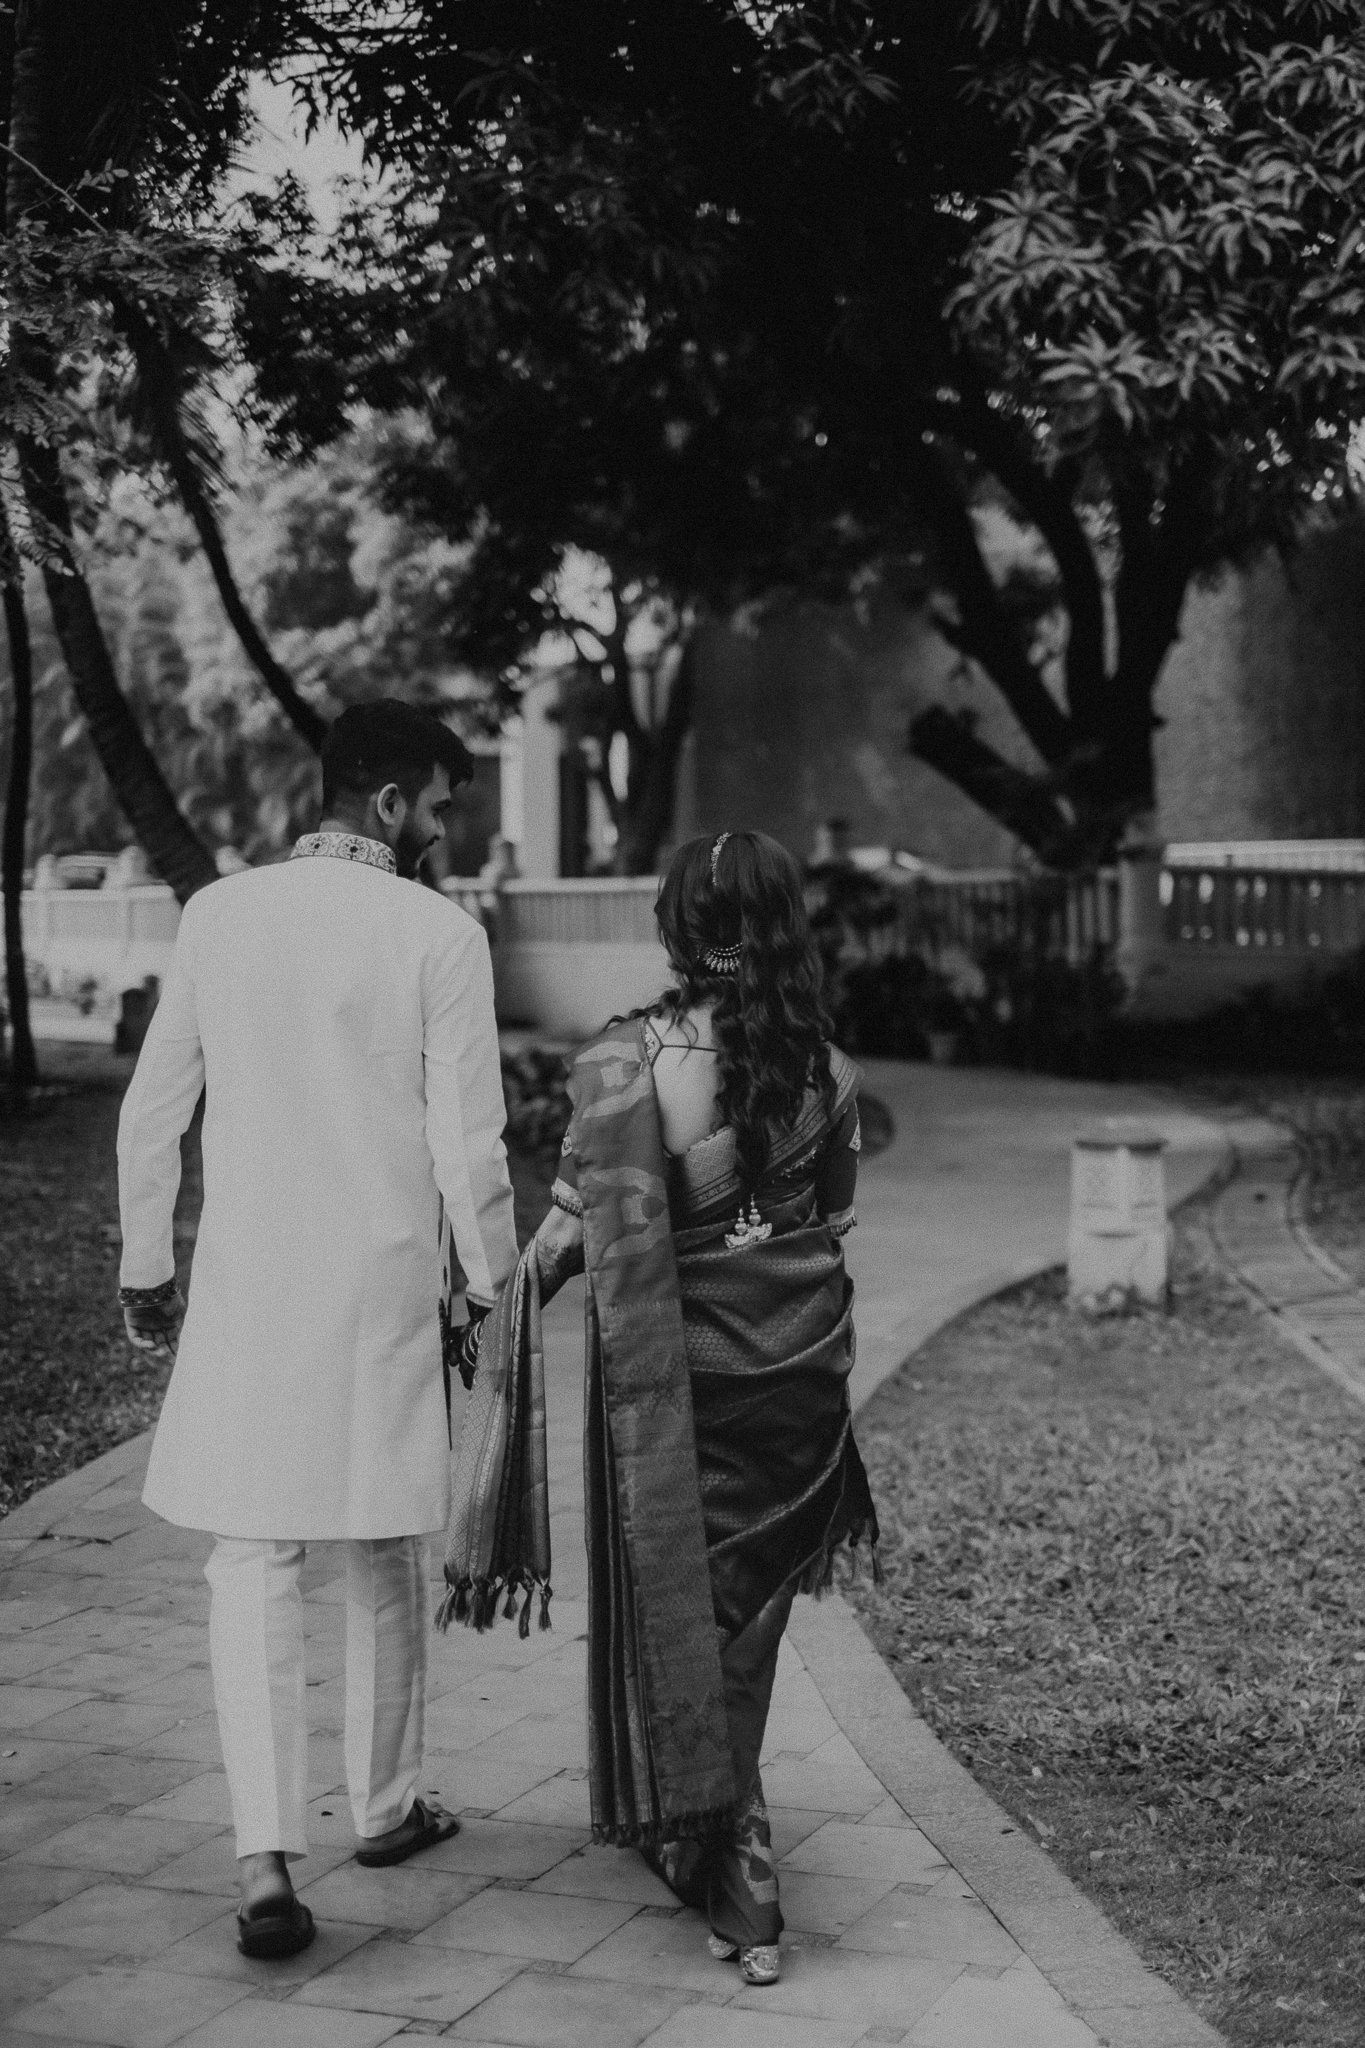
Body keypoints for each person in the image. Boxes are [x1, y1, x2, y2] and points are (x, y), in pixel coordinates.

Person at [116, 699, 519, 1960]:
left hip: (250, 1282)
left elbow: (155, 1107)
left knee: (253, 1554)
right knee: (383, 1537)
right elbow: (470, 1146)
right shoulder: (438, 933)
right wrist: (495, 1286)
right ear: (390, 803)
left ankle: (264, 1859)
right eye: (439, 807)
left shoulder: (218, 914)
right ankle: (386, 1808)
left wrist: (145, 1265)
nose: (445, 830)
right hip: (382, 1285)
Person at [447, 829, 878, 1990]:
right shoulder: (833, 1074)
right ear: (785, 929)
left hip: (678, 1389)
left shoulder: (622, 1065)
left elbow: (569, 1235)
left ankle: (741, 1875)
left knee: (690, 1618)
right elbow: (830, 1226)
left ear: (678, 930)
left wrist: (488, 1306)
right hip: (800, 1389)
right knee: (747, 1632)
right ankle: (702, 1832)